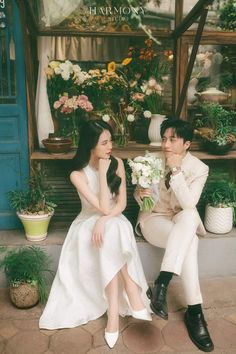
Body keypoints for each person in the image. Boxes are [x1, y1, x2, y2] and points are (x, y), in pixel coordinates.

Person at [39, 120, 152, 349]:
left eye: (111, 140)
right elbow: (102, 207)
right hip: (86, 224)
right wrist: (101, 173)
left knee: (114, 227)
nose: (110, 146)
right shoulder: (77, 175)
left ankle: (115, 310)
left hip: (111, 221)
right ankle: (128, 290)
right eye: (105, 142)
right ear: (91, 145)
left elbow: (119, 205)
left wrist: (104, 219)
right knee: (113, 229)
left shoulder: (118, 163)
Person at [134, 118, 214, 352]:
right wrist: (140, 193)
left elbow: (189, 204)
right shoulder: (150, 161)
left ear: (187, 144)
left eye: (173, 139)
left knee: (189, 217)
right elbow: (143, 201)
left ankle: (162, 283)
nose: (166, 145)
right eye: (164, 139)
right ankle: (195, 313)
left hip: (181, 219)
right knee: (189, 244)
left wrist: (177, 170)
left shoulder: (199, 169)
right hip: (155, 219)